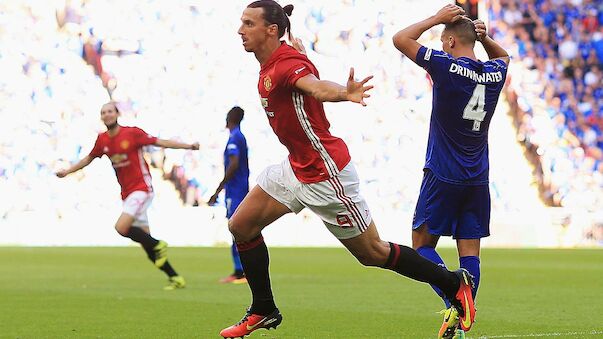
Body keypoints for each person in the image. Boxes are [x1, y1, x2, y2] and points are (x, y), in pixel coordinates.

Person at [219, 2, 476, 338]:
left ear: (270, 30)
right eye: (242, 22)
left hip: (326, 174)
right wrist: (287, 27)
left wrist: (344, 93)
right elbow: (299, 63)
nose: (240, 30)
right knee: (241, 225)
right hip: (295, 167)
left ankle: (454, 282)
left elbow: (315, 86)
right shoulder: (282, 55)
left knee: (373, 253)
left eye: (248, 23)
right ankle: (263, 309)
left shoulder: (287, 65)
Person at [393, 4, 510, 338]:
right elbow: (504, 58)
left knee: (421, 244)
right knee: (469, 250)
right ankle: (461, 316)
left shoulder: (445, 66)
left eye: (444, 38)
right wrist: (485, 39)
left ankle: (456, 299)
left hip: (443, 173)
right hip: (478, 177)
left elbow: (400, 39)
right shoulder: (495, 73)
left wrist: (435, 19)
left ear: (448, 41)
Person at [56, 102, 200, 290]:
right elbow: (88, 159)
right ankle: (175, 277)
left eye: (110, 111)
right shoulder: (102, 140)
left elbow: (160, 142)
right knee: (146, 243)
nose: (107, 115)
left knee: (122, 227)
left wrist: (188, 145)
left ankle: (159, 244)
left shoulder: (132, 133)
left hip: (142, 188)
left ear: (117, 114)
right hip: (127, 193)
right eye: (103, 112)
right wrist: (67, 172)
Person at [209, 106, 250, 284]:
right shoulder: (238, 136)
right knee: (239, 229)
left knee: (237, 228)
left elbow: (233, 163)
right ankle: (243, 270)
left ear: (229, 118)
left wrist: (218, 189)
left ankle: (240, 271)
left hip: (236, 190)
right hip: (237, 189)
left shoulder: (235, 137)